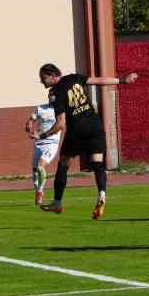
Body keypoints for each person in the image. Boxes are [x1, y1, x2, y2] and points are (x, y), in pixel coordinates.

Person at [37, 63, 138, 219]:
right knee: (98, 164)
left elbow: (61, 124)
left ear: (52, 75)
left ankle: (57, 202)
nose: (42, 81)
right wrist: (122, 80)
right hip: (95, 125)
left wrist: (42, 135)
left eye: (43, 78)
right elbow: (99, 81)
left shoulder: (55, 93)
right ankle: (102, 195)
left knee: (63, 163)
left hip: (77, 130)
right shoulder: (74, 77)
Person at [25, 99, 62, 206]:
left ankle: (40, 191)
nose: (52, 97)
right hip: (39, 142)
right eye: (50, 95)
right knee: (35, 169)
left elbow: (62, 124)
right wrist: (29, 124)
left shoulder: (61, 110)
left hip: (52, 144)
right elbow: (31, 119)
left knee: (41, 166)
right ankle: (37, 189)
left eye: (54, 95)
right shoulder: (41, 108)